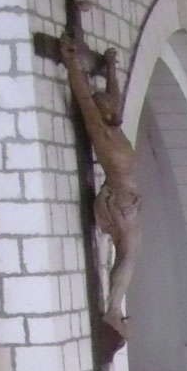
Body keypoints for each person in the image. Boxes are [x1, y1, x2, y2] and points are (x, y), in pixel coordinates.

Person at [59, 32, 140, 346]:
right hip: (117, 203)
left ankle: (114, 309)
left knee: (130, 255)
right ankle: (112, 311)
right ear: (101, 112)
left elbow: (114, 98)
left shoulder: (115, 129)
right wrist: (70, 63)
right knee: (128, 254)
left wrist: (110, 69)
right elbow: (83, 98)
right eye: (106, 104)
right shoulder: (103, 136)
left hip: (131, 201)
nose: (112, 105)